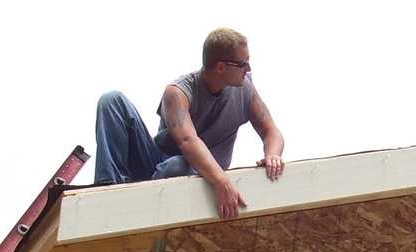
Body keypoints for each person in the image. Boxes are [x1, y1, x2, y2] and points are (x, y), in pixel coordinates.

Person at [93, 27, 285, 219]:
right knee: (112, 100)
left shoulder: (245, 90)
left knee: (178, 167)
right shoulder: (179, 92)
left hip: (196, 175)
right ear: (221, 67)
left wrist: (272, 155)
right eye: (243, 64)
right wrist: (223, 182)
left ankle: (141, 203)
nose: (248, 69)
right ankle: (109, 189)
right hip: (156, 165)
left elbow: (271, 131)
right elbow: (187, 141)